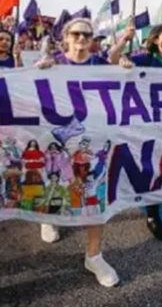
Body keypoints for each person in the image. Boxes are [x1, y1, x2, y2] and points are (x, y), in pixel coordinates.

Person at [35, 18, 122, 287]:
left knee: (95, 195)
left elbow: (126, 87)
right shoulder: (53, 63)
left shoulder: (101, 66)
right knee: (57, 186)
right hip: (60, 138)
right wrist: (39, 72)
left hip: (94, 140)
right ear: (66, 37)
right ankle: (49, 219)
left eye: (87, 34)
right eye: (76, 33)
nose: (82, 38)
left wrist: (126, 69)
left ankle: (94, 256)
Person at [109, 23, 162, 241]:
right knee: (150, 166)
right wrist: (124, 42)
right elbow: (113, 59)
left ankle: (153, 206)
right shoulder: (145, 59)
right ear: (155, 39)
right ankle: (152, 215)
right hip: (146, 122)